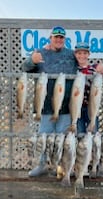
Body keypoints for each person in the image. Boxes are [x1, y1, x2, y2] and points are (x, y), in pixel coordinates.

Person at [22, 26, 78, 177]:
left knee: (63, 140)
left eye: (61, 37)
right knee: (44, 138)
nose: (58, 39)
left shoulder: (72, 55)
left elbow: (86, 66)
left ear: (64, 40)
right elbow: (25, 68)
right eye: (56, 37)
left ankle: (63, 167)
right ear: (50, 38)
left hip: (66, 106)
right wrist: (31, 61)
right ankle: (42, 165)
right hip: (45, 107)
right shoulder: (41, 52)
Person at [74, 42, 103, 133]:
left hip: (93, 105)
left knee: (93, 133)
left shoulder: (94, 69)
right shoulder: (73, 70)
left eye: (85, 53)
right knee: (79, 133)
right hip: (77, 106)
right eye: (79, 53)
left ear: (89, 54)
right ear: (75, 54)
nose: (82, 56)